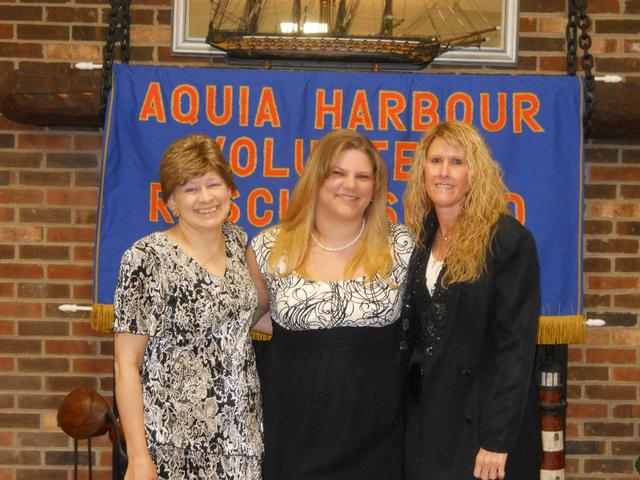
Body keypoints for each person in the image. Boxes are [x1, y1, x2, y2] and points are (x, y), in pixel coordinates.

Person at [247, 129, 414, 479]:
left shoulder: (401, 247)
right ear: (316, 179)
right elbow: (248, 319)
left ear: (375, 188)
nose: (349, 185)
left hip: (377, 441)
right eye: (337, 173)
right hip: (293, 439)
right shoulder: (269, 247)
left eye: (362, 176)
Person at [113, 134, 263, 480]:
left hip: (242, 439)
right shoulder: (146, 258)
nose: (206, 197)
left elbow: (247, 319)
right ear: (171, 202)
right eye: (190, 188)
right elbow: (126, 364)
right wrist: (138, 457)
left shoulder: (239, 242)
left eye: (214, 184)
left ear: (231, 190)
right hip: (173, 445)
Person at [402, 121, 542, 480]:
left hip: (480, 431)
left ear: (475, 172)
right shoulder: (422, 240)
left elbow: (517, 348)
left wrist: (497, 439)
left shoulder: (508, 241)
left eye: (456, 162)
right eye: (435, 161)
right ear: (422, 170)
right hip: (424, 427)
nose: (444, 172)